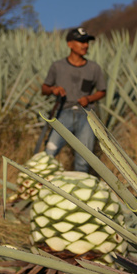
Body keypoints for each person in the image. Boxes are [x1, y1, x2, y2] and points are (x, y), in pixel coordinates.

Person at [42, 27, 106, 173]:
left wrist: (89, 98)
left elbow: (102, 91)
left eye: (87, 42)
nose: (85, 45)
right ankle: (42, 187)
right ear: (70, 44)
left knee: (84, 160)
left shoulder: (94, 68)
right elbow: (44, 88)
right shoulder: (58, 66)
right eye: (81, 41)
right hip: (63, 113)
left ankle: (79, 192)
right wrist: (54, 90)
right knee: (49, 153)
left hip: (87, 116)